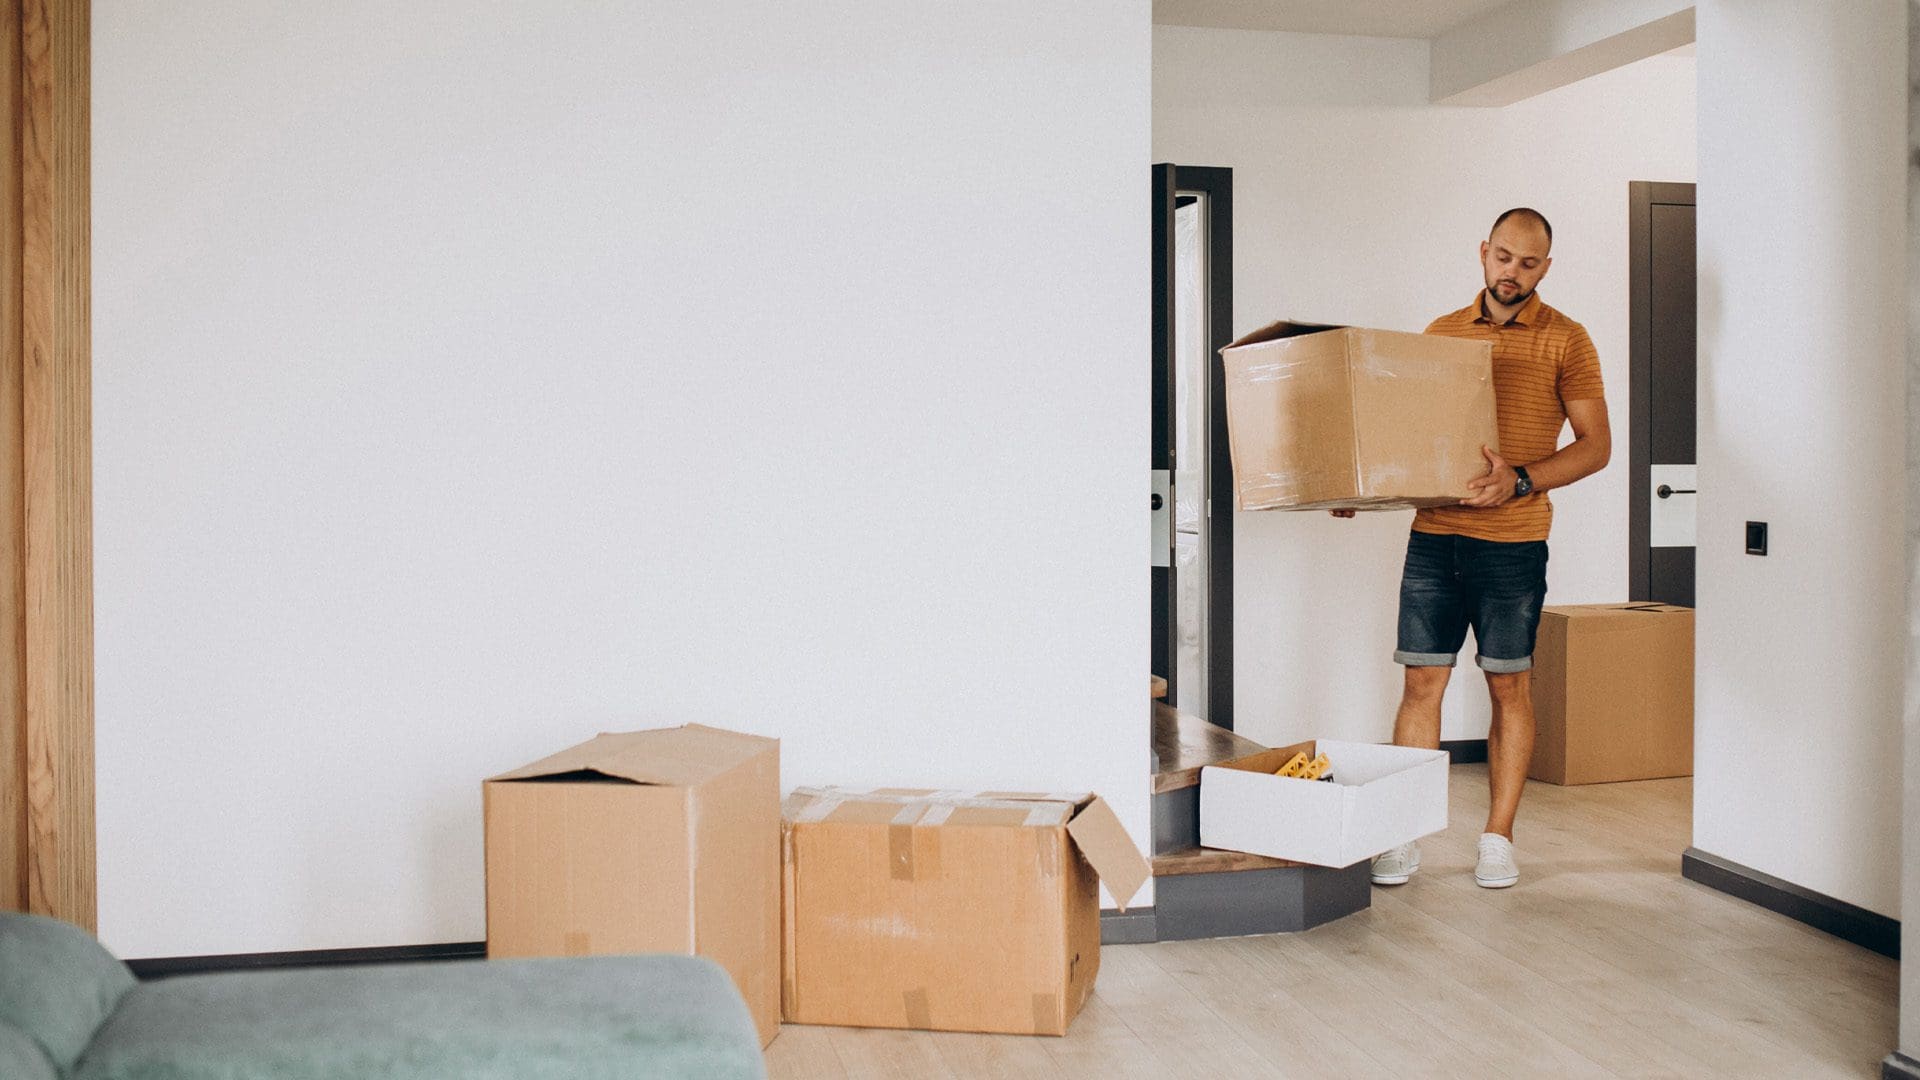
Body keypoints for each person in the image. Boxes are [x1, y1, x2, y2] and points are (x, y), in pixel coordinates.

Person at [1338, 207, 1611, 889]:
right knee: (1421, 683)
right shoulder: (1443, 333)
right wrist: (1361, 486)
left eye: (1529, 264)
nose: (1512, 273)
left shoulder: (1567, 340)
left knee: (1508, 684)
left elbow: (1597, 445)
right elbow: (1412, 437)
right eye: (1504, 258)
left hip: (1513, 545)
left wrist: (1519, 480)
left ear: (1545, 268)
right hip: (1434, 539)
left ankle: (1498, 837)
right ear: (1484, 252)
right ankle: (1402, 836)